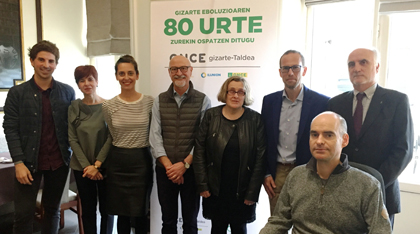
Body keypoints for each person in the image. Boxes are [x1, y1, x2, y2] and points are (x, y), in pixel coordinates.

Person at [259, 111, 392, 234]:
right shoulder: (296, 176)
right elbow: (278, 222)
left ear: (344, 140)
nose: (319, 141)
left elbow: (381, 231)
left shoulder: (367, 185)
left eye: (328, 135)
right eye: (314, 134)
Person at [327, 47, 414, 226]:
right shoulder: (335, 103)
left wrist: (372, 184)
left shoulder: (397, 101)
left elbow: (403, 151)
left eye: (363, 62)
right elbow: (331, 147)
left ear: (377, 67)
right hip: (342, 193)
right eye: (351, 64)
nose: (356, 68)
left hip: (382, 192)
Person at [3, 40, 75, 234]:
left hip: (58, 163)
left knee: (52, 212)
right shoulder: (17, 93)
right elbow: (10, 128)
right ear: (32, 61)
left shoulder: (67, 92)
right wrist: (18, 162)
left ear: (56, 64)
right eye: (41, 59)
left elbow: (74, 126)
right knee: (24, 215)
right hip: (27, 164)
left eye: (51, 61)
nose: (46, 64)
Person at [194, 76, 266, 234]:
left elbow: (260, 158)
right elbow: (199, 151)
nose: (236, 95)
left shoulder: (255, 119)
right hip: (215, 188)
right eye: (232, 91)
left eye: (241, 92)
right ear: (225, 93)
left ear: (245, 95)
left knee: (239, 228)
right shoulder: (211, 116)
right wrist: (202, 184)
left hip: (242, 189)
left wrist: (252, 192)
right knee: (217, 228)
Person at [261, 50, 329, 214]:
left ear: (304, 70)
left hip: (309, 172)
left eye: (295, 68)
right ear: (280, 72)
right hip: (277, 173)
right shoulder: (269, 101)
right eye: (285, 68)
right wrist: (266, 173)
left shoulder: (322, 102)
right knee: (278, 224)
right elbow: (263, 140)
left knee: (306, 224)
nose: (290, 72)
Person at [149, 55, 211, 234]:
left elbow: (202, 139)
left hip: (191, 171)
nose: (179, 73)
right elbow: (154, 136)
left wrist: (184, 165)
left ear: (191, 71)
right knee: (168, 221)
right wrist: (170, 168)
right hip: (165, 171)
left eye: (183, 68)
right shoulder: (159, 100)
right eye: (174, 69)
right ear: (169, 73)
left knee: (190, 223)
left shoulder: (203, 100)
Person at [102, 55, 154, 234]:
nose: (126, 77)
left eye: (130, 73)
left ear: (137, 75)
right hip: (117, 163)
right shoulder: (108, 106)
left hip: (141, 161)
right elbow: (111, 135)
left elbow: (154, 132)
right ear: (116, 76)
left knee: (140, 212)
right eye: (121, 73)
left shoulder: (150, 102)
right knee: (121, 213)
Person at [68, 65, 114, 234]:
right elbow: (72, 138)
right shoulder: (73, 107)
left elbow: (111, 137)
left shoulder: (108, 106)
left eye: (90, 79)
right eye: (82, 80)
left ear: (97, 81)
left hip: (105, 166)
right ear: (78, 84)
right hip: (82, 168)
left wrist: (97, 165)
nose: (86, 83)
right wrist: (88, 166)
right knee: (87, 210)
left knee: (107, 210)